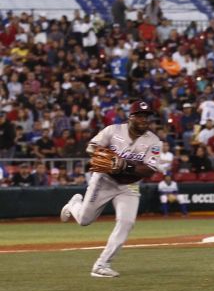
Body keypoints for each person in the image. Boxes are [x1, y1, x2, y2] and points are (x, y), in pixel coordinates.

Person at [59, 101, 161, 278]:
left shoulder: (154, 141)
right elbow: (91, 147)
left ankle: (102, 264)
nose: (145, 120)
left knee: (127, 222)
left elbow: (150, 170)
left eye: (147, 116)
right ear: (131, 117)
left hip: (129, 185)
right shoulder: (112, 131)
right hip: (104, 180)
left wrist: (125, 166)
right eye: (141, 116)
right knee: (84, 220)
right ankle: (74, 205)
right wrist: (105, 156)